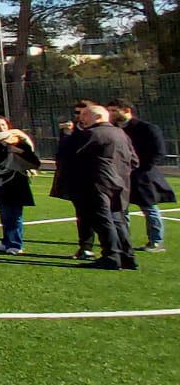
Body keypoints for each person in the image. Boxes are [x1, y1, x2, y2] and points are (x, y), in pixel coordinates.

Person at [56, 100, 138, 270]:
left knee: (103, 220)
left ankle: (111, 256)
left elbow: (65, 155)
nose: (81, 119)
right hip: (120, 182)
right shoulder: (121, 134)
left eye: (85, 115)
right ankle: (127, 257)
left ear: (98, 116)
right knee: (118, 220)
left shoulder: (92, 134)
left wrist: (66, 135)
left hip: (95, 182)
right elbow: (134, 161)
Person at [109, 100, 172, 252]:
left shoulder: (147, 128)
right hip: (121, 175)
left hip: (143, 176)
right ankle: (124, 240)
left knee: (149, 208)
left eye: (114, 110)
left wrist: (141, 168)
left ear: (127, 110)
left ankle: (156, 241)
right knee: (121, 209)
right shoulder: (114, 129)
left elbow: (158, 152)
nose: (111, 114)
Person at [0, 115, 39, 254]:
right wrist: (7, 146)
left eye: (4, 125)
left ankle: (16, 244)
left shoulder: (19, 140)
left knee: (15, 214)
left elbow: (34, 160)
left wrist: (19, 149)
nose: (2, 128)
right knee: (4, 213)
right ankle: (6, 241)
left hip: (16, 183)